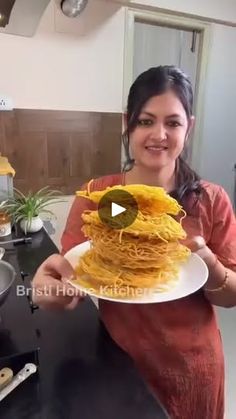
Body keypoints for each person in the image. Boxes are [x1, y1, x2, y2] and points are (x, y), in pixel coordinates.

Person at [32, 66, 236, 419]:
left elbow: (232, 295)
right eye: (146, 121)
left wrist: (208, 262)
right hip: (119, 366)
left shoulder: (211, 200)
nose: (158, 134)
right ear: (128, 123)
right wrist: (45, 291)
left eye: (172, 123)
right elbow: (70, 285)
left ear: (190, 126)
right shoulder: (103, 197)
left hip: (193, 369)